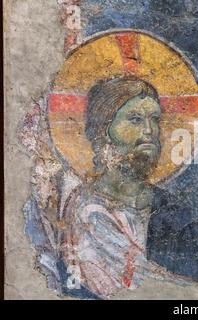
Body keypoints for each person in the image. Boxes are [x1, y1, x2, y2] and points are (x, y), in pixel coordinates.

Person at [61, 77, 186, 298]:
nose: (149, 130)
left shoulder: (169, 205)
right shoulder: (87, 207)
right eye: (135, 119)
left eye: (155, 119)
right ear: (104, 129)